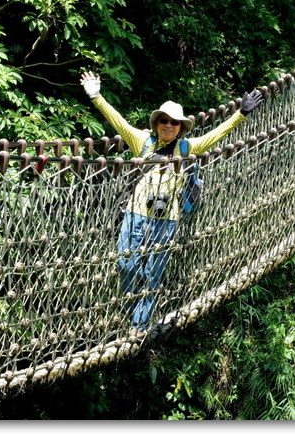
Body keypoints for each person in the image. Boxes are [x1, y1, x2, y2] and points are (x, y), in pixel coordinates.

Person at [80, 71, 263, 332]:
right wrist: (96, 96)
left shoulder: (188, 147)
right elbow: (118, 122)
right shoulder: (142, 142)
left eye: (174, 123)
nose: (168, 125)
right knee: (126, 264)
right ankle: (133, 314)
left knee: (152, 273)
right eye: (164, 121)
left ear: (181, 127)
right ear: (156, 123)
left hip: (166, 220)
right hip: (135, 214)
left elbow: (218, 135)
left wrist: (241, 114)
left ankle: (138, 327)